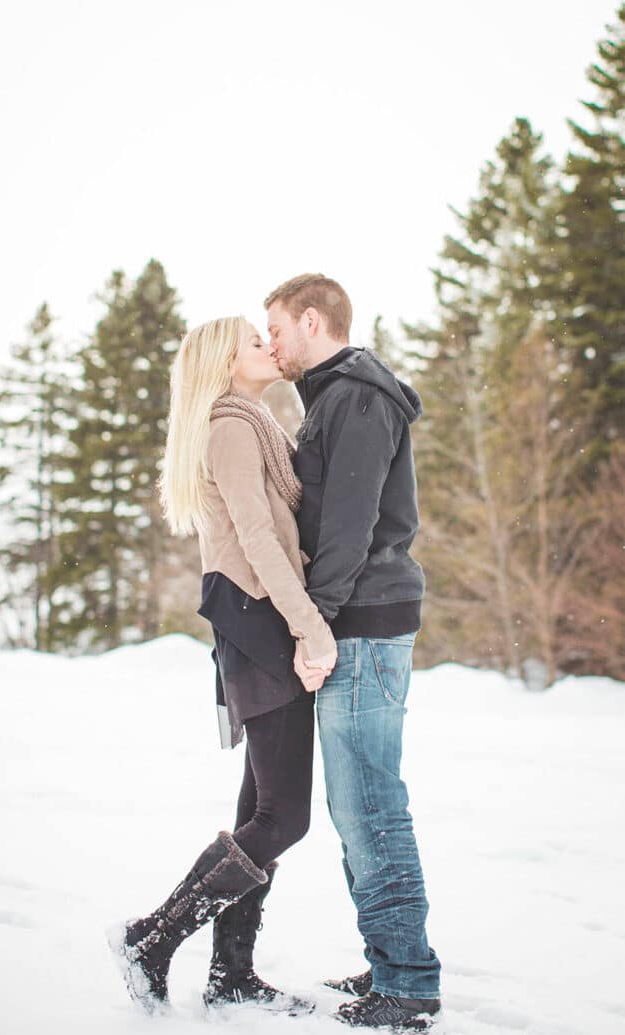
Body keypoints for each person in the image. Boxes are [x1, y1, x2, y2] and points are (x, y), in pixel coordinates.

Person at [107, 316, 337, 1016]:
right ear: (225, 363)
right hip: (260, 617)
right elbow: (258, 539)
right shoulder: (233, 427)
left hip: (253, 618)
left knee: (259, 806)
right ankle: (151, 937)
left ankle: (231, 973)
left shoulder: (250, 423)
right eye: (252, 340)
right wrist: (311, 627)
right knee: (283, 817)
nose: (268, 346)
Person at [266, 274, 442, 1031]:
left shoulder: (357, 395)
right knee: (355, 802)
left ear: (312, 320)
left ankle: (407, 983)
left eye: (274, 327)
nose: (268, 341)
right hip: (355, 617)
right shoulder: (335, 395)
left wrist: (318, 625)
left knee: (369, 800)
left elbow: (349, 527)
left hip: (363, 619)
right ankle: (388, 958)